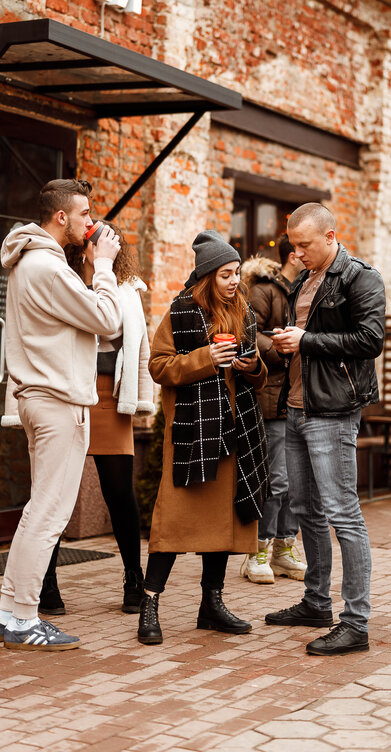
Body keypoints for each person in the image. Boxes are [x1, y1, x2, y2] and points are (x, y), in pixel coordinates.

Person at [0, 179, 122, 651]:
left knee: (37, 510)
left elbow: (82, 324)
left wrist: (89, 270)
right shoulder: (47, 265)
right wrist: (103, 265)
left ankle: (8, 611)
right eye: (84, 213)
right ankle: (24, 618)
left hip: (39, 397)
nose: (91, 221)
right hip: (57, 402)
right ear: (60, 217)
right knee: (49, 514)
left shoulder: (32, 262)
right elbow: (108, 319)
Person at [266, 203, 386, 657]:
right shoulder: (303, 279)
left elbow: (371, 340)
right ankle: (316, 602)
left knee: (342, 513)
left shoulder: (360, 277)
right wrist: (286, 342)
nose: (296, 254)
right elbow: (308, 341)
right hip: (296, 406)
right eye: (293, 245)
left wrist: (307, 341)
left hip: (332, 413)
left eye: (305, 245)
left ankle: (355, 622)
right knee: (305, 509)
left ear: (331, 236)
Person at [137, 230, 268, 645]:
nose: (234, 281)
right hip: (193, 438)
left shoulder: (243, 312)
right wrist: (204, 359)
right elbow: (158, 366)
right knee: (173, 524)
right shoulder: (179, 312)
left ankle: (211, 604)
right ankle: (149, 603)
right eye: (226, 274)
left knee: (222, 526)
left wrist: (252, 366)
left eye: (236, 273)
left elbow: (258, 376)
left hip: (234, 433)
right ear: (208, 275)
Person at [37, 221, 155, 616]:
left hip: (108, 396)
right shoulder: (63, 280)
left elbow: (126, 335)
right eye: (102, 240)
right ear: (85, 246)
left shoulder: (126, 288)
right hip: (69, 391)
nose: (110, 245)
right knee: (55, 493)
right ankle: (46, 582)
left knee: (119, 492)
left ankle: (133, 579)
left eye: (114, 241)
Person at [240, 235, 306, 584]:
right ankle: (258, 551)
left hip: (305, 397)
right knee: (277, 480)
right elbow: (248, 332)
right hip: (274, 397)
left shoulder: (312, 288)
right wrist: (282, 348)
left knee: (297, 483)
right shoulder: (264, 289)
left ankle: (284, 547)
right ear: (293, 255)